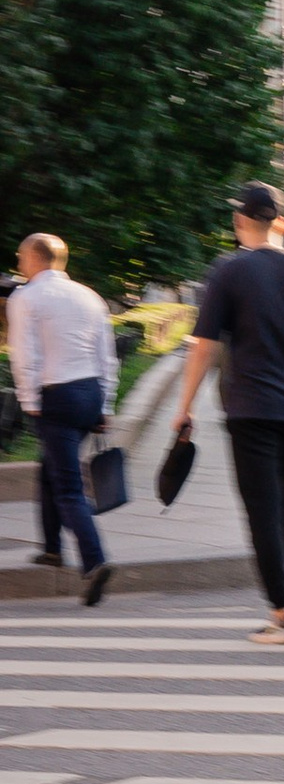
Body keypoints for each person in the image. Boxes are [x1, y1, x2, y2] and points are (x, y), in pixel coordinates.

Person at [172, 186, 284, 645]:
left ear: (239, 222)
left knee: (263, 511)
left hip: (251, 409)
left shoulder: (229, 271)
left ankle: (283, 616)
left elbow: (205, 346)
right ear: (282, 223)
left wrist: (185, 406)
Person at [7, 233, 116, 605]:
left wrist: (29, 400)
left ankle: (94, 560)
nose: (19, 261)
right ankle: (52, 548)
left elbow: (23, 355)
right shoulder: (90, 296)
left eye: (21, 256)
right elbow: (108, 357)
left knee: (68, 486)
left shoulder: (26, 297)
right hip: (89, 394)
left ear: (36, 258)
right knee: (49, 468)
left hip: (57, 397)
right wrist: (107, 404)